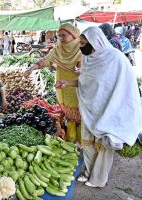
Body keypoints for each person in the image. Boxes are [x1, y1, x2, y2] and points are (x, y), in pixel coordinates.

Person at [56, 27, 142, 188]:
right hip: (90, 110)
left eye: (83, 43)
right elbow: (85, 82)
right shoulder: (88, 59)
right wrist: (67, 82)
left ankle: (98, 179)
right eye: (80, 43)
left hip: (109, 111)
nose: (81, 47)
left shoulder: (116, 59)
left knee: (103, 147)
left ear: (95, 41)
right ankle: (88, 172)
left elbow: (126, 88)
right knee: (88, 145)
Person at [24, 23, 82, 143]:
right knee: (70, 117)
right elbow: (46, 60)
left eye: (63, 35)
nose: (60, 38)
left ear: (73, 35)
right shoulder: (58, 49)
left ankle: (83, 144)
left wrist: (82, 70)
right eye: (59, 36)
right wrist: (31, 69)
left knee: (82, 117)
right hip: (64, 88)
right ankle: (72, 144)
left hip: (80, 88)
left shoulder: (82, 48)